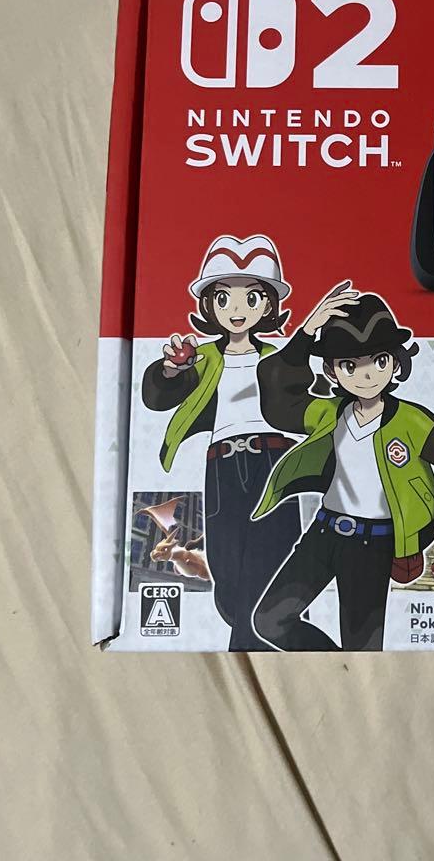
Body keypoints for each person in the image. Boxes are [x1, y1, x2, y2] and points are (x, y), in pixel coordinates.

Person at [251, 282, 434, 651]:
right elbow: (279, 400)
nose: (367, 375)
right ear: (333, 371)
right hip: (323, 534)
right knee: (270, 621)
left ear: (395, 361)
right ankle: (336, 670)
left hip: (373, 545)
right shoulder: (328, 414)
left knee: (363, 651)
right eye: (350, 365)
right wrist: (307, 332)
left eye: (379, 361)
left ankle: (348, 674)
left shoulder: (412, 422)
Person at [140, 234, 303, 650]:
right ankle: (258, 632)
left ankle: (252, 640)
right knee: (227, 576)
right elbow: (157, 397)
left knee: (272, 561)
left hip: (271, 461)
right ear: (209, 305)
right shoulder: (205, 358)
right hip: (222, 468)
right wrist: (172, 370)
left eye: (252, 298)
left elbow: (304, 399)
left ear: (268, 306)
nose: (237, 309)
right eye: (224, 298)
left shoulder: (277, 356)